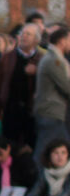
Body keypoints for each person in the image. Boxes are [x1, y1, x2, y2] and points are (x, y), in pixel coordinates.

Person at [0, 23, 44, 149]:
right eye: (22, 33)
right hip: (11, 107)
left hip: (32, 109)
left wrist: (37, 71)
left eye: (29, 34)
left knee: (31, 145)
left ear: (36, 39)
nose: (24, 36)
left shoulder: (42, 59)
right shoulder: (7, 57)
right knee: (10, 143)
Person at [34, 27, 70, 157]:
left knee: (54, 148)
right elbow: (67, 86)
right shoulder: (54, 61)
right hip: (51, 112)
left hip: (53, 112)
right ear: (62, 41)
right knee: (46, 149)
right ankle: (37, 170)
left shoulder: (55, 58)